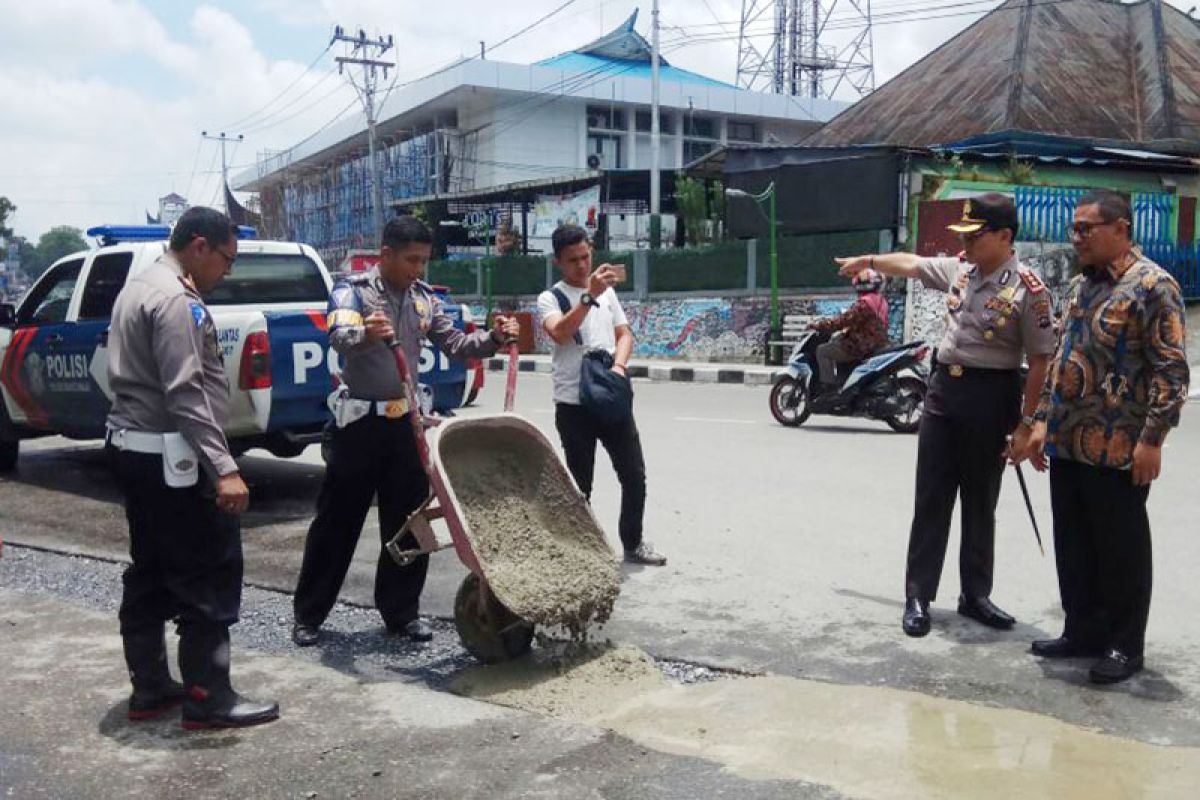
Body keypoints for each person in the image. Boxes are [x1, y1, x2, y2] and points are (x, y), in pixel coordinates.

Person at [835, 193, 1057, 637]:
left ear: (1004, 237)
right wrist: (869, 259)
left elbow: (1040, 361)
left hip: (993, 397)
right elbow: (913, 264)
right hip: (943, 394)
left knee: (980, 503)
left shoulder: (1028, 290)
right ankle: (918, 596)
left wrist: (1027, 422)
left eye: (975, 235)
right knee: (931, 498)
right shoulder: (961, 269)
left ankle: (975, 595)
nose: (967, 243)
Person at [291, 216, 519, 647]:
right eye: (412, 259)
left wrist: (493, 337)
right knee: (337, 523)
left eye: (424, 261)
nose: (419, 268)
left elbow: (456, 344)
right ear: (387, 255)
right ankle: (309, 615)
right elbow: (338, 335)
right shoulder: (352, 291)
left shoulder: (423, 300)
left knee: (409, 524)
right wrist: (364, 333)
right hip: (358, 426)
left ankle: (401, 613)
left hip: (406, 427)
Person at [106, 206, 278, 729]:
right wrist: (224, 467)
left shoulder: (141, 285)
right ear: (199, 246)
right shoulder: (177, 300)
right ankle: (209, 697)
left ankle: (152, 688)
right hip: (171, 458)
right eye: (227, 259)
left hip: (136, 449)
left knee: (152, 570)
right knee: (209, 570)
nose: (228, 270)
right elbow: (186, 393)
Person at [1024, 190, 1189, 684]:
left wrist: (1153, 439)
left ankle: (1123, 645)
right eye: (1075, 228)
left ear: (1121, 229)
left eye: (1086, 228)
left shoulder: (1153, 287)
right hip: (1070, 443)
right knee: (1074, 544)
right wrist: (1039, 422)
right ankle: (1082, 631)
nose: (1077, 237)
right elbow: (1059, 360)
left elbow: (1171, 370)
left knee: (1121, 550)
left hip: (1119, 448)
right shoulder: (1080, 286)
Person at [537, 224, 666, 566]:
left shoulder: (608, 292)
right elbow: (560, 334)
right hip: (573, 403)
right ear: (557, 262)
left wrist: (619, 368)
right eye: (572, 260)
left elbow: (624, 334)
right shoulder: (551, 298)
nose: (581, 265)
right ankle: (580, 552)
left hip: (610, 393)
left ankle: (633, 543)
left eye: (585, 256)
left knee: (634, 475)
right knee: (580, 485)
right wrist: (587, 296)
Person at [810, 267, 890, 392]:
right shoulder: (881, 301)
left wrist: (820, 325)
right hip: (877, 344)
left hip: (861, 346)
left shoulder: (864, 303)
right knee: (838, 340)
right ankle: (844, 380)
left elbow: (842, 321)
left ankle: (829, 389)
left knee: (822, 351)